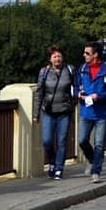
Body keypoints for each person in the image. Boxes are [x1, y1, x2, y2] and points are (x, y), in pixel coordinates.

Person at [77, 42, 106, 183]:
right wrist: (78, 93)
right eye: (84, 53)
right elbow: (76, 85)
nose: (84, 55)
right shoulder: (82, 69)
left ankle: (96, 172)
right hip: (86, 110)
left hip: (101, 112)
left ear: (95, 55)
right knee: (82, 140)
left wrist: (99, 96)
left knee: (99, 144)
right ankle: (91, 159)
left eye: (87, 53)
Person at [33, 45, 78, 180]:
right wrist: (36, 114)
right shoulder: (44, 72)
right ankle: (52, 162)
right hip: (48, 111)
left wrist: (73, 102)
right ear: (50, 59)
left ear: (62, 57)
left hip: (65, 111)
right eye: (54, 56)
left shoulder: (69, 70)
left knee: (62, 141)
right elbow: (39, 92)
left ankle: (59, 168)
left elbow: (76, 87)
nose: (57, 59)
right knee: (47, 141)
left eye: (59, 56)